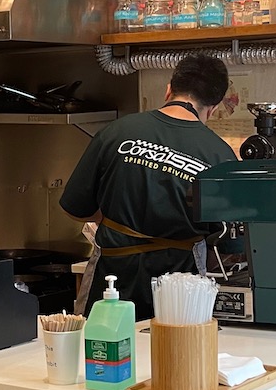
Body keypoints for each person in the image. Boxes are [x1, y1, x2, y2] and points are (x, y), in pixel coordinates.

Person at [61, 53, 237, 320]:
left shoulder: (116, 132)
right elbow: (220, 237)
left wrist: (119, 220)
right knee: (175, 354)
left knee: (105, 353)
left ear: (169, 89)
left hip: (112, 281)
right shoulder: (220, 156)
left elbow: (76, 208)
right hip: (180, 291)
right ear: (214, 108)